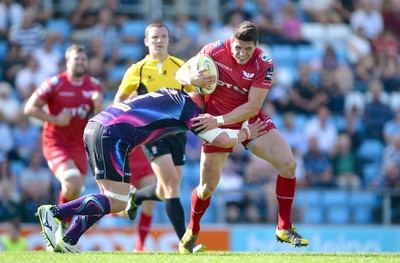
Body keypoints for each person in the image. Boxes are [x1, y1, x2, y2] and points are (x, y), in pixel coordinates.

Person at [35, 87, 266, 253]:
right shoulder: (190, 110)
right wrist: (246, 133)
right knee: (116, 202)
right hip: (112, 134)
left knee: (115, 199)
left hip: (103, 128)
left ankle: (69, 239)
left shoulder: (173, 92)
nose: (215, 110)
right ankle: (54, 212)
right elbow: (222, 139)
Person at [174, 21, 309, 253]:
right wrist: (191, 79)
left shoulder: (264, 63)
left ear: (256, 46)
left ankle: (284, 227)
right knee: (207, 187)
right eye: (238, 48)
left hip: (247, 121)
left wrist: (218, 121)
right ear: (231, 41)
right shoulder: (214, 50)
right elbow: (181, 72)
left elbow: (252, 106)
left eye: (248, 49)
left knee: (288, 165)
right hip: (215, 124)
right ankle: (191, 233)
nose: (242, 54)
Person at [113, 21, 195, 251]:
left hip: (177, 134)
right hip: (150, 135)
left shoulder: (181, 67)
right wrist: (124, 127)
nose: (159, 40)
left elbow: (195, 99)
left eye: (163, 37)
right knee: (171, 186)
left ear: (169, 40)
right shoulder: (136, 70)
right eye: (155, 37)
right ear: (146, 41)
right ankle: (185, 243)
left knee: (166, 188)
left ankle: (136, 197)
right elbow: (119, 101)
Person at [24, 44, 103, 240]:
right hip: (56, 143)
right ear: (67, 62)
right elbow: (29, 108)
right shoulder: (54, 83)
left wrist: (99, 104)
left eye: (83, 59)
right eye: (76, 59)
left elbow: (99, 119)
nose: (80, 62)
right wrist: (55, 119)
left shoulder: (94, 86)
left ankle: (60, 233)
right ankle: (53, 219)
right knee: (72, 181)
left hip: (79, 145)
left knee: (74, 190)